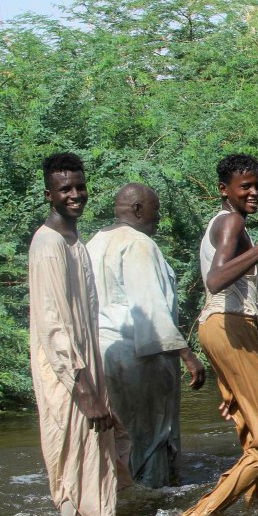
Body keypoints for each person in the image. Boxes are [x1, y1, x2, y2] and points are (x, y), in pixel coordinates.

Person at [180, 154, 258, 516]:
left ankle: (257, 515)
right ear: (224, 190)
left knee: (255, 434)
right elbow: (216, 280)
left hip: (226, 328)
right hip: (227, 325)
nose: (253, 193)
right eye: (245, 187)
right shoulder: (231, 221)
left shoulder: (231, 223)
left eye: (257, 186)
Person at [28, 152, 131, 516]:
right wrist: (82, 388)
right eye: (65, 189)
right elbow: (53, 325)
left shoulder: (74, 240)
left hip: (86, 365)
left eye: (80, 187)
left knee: (98, 447)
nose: (75, 195)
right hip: (66, 373)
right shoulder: (48, 245)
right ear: (48, 195)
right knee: (71, 455)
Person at [88, 183, 207, 488]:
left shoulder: (94, 243)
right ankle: (155, 503)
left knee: (118, 435)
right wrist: (188, 356)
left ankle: (120, 499)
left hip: (102, 354)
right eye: (156, 210)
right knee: (154, 435)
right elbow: (151, 307)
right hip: (140, 356)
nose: (159, 218)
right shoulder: (139, 244)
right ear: (139, 209)